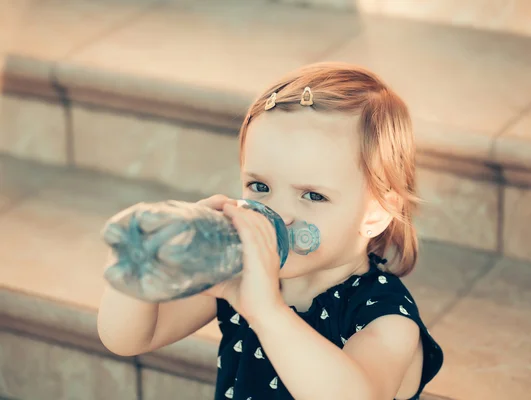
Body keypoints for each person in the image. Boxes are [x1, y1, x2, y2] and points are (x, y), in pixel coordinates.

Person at [97, 62, 443, 399]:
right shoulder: (244, 274)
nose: (278, 214)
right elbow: (128, 339)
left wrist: (266, 311)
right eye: (260, 187)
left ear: (376, 213)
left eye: (312, 195)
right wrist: (139, 265)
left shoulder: (384, 317)